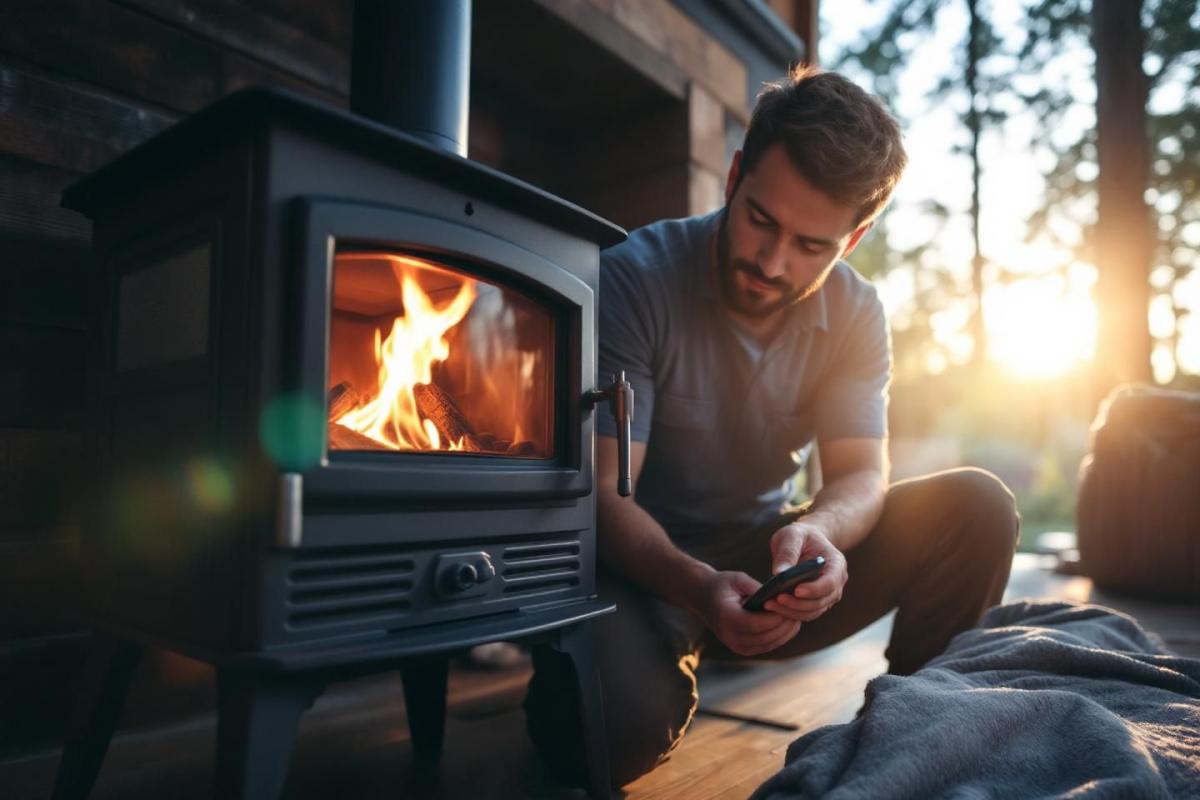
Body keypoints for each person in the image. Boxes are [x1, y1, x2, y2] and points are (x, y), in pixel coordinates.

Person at [524, 65, 1020, 788]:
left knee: (977, 508)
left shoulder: (857, 312)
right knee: (590, 742)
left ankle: (917, 728)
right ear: (733, 178)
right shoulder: (632, 277)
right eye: (761, 219)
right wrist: (697, 590)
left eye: (812, 246)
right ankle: (599, 654)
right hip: (632, 566)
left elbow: (858, 475)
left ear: (851, 242)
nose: (771, 260)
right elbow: (602, 493)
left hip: (764, 559)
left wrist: (821, 533)